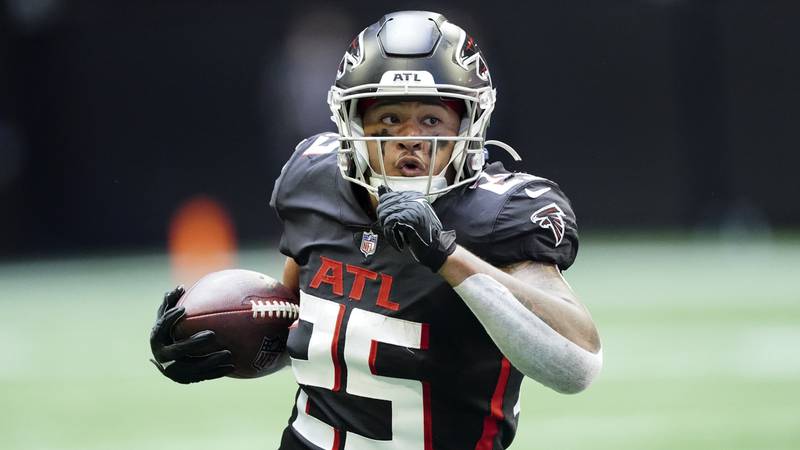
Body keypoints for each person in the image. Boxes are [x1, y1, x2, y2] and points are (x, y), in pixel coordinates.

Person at [150, 10, 602, 450]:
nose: (409, 137)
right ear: (351, 124)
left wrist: (446, 255)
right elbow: (309, 324)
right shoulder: (314, 181)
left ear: (469, 124)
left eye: (431, 119)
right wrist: (209, 341)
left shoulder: (499, 212)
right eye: (388, 120)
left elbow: (577, 365)